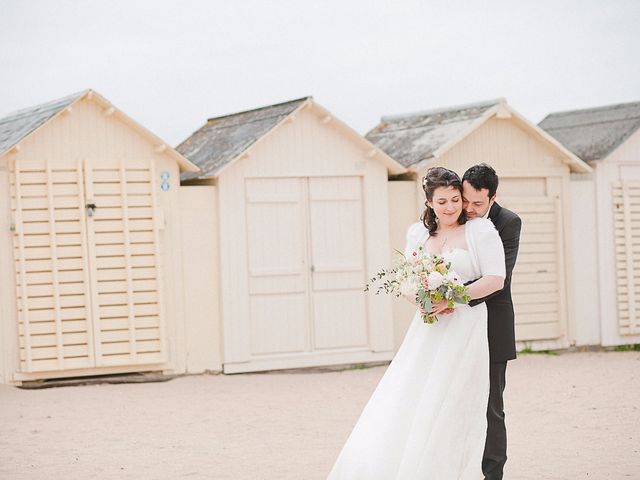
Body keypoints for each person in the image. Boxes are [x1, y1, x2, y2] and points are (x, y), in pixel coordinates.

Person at [327, 167, 506, 479]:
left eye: (455, 199)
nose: (451, 207)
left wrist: (454, 298)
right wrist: (426, 303)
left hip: (466, 326)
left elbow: (495, 279)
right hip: (427, 328)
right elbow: (407, 280)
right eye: (442, 201)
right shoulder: (418, 234)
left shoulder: (480, 231)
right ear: (429, 203)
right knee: (413, 395)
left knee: (455, 400)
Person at [462, 164, 522, 480]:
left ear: (492, 197)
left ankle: (492, 475)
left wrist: (451, 294)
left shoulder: (508, 222)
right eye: (466, 200)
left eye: (477, 204)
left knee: (491, 407)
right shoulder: (454, 215)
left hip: (493, 326)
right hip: (453, 328)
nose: (469, 210)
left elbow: (501, 277)